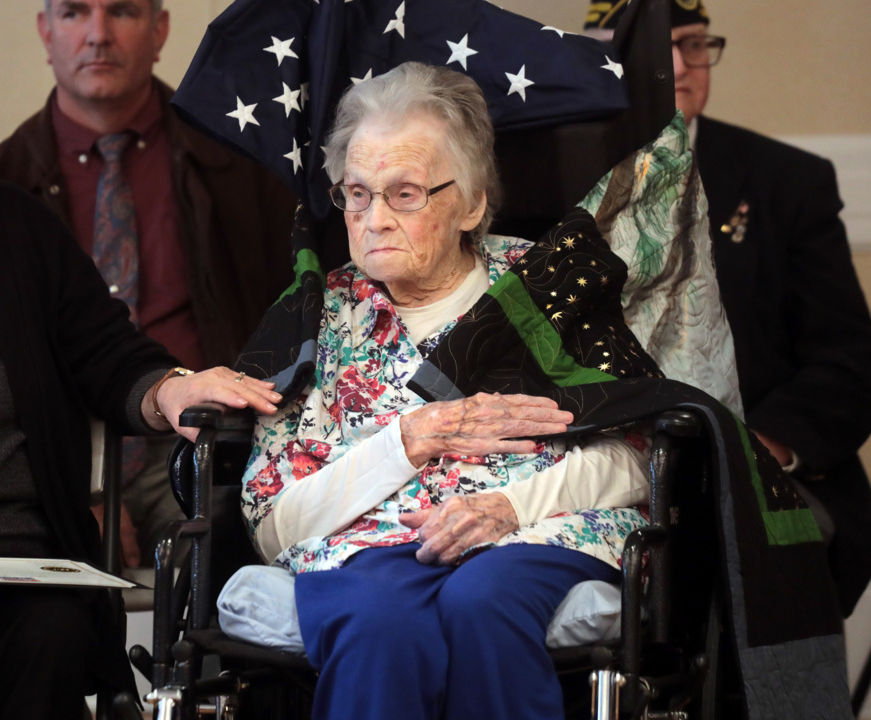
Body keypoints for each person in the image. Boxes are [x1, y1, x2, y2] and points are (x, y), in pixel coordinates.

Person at [239, 62, 654, 720]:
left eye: (404, 194)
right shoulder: (314, 319)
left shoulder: (548, 290)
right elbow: (272, 524)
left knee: (483, 601)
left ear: (471, 203)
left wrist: (510, 506)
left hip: (536, 535)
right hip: (369, 555)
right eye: (356, 193)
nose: (373, 219)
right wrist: (406, 441)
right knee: (379, 623)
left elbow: (637, 459)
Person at [583, 0, 871, 615]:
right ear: (600, 60)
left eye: (693, 45)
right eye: (656, 50)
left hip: (763, 469)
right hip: (599, 472)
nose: (681, 68)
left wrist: (762, 445)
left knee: (722, 560)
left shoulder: (786, 181)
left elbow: (848, 357)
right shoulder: (559, 180)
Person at [0, 0, 297, 567]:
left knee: (223, 564)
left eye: (124, 12)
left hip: (197, 442)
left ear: (160, 31)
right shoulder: (4, 188)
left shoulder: (241, 160)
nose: (98, 36)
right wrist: (86, 496)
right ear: (46, 31)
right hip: (58, 456)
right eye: (75, 13)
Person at [0, 177, 282, 720]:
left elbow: (106, 352)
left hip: (16, 561)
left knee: (52, 635)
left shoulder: (14, 223)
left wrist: (170, 388)